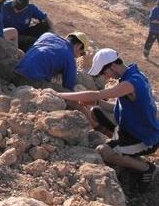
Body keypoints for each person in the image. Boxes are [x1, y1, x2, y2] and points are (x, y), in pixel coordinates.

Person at [56, 48, 159, 191]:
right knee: (96, 111)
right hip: (132, 130)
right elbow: (117, 107)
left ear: (113, 65)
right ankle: (123, 148)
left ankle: (147, 168)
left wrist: (60, 95)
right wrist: (97, 103)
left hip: (145, 139)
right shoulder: (135, 75)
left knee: (104, 151)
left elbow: (97, 94)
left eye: (105, 72)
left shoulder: (130, 84)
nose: (106, 77)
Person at [14, 32, 89, 91]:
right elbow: (68, 86)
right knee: (67, 94)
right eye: (82, 53)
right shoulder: (70, 58)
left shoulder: (47, 35)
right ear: (79, 46)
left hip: (16, 72)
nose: (79, 56)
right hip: (30, 81)